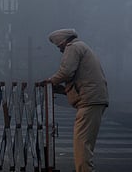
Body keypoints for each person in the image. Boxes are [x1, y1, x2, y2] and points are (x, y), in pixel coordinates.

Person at [44, 28, 109, 172]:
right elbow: (78, 79)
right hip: (94, 98)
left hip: (90, 100)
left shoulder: (73, 47)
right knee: (85, 143)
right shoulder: (82, 47)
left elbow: (66, 72)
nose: (60, 50)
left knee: (81, 144)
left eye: (58, 46)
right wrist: (62, 90)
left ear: (63, 42)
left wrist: (49, 82)